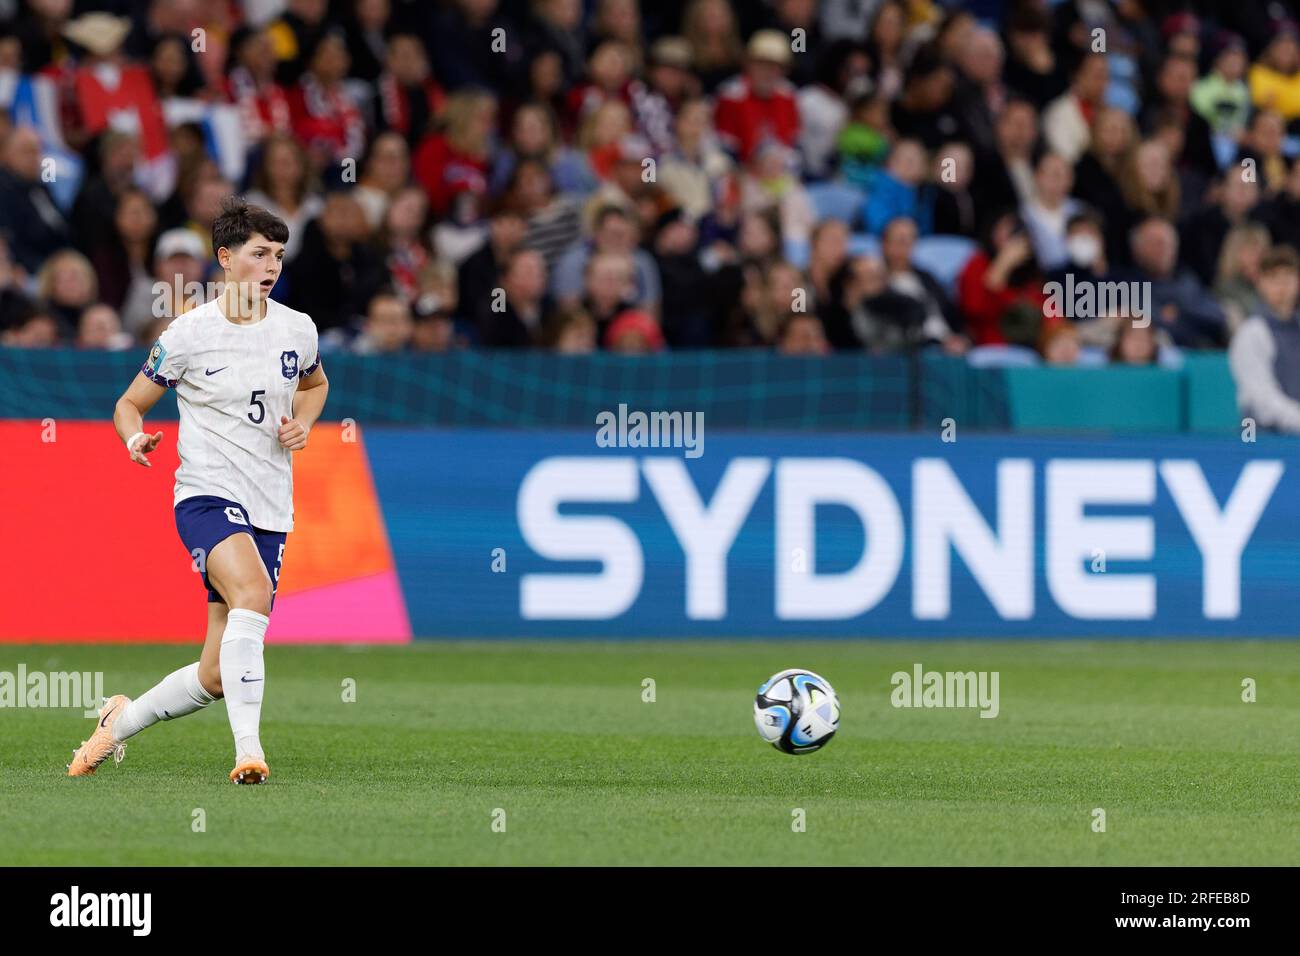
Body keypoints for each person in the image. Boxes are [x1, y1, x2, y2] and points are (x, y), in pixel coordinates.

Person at [69, 198, 329, 785]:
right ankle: (248, 753)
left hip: (271, 503)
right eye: (260, 253)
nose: (271, 266)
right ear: (225, 257)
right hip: (206, 496)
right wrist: (133, 439)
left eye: (279, 256)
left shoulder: (297, 328)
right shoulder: (188, 334)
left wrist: (304, 423)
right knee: (254, 596)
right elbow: (129, 404)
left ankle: (117, 723)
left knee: (215, 675)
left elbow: (315, 385)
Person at [1229, 245, 1300, 433]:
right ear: (1260, 283)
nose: (1282, 286)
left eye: (1288, 278)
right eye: (1274, 279)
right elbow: (1261, 400)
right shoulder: (1252, 333)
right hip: (1259, 440)